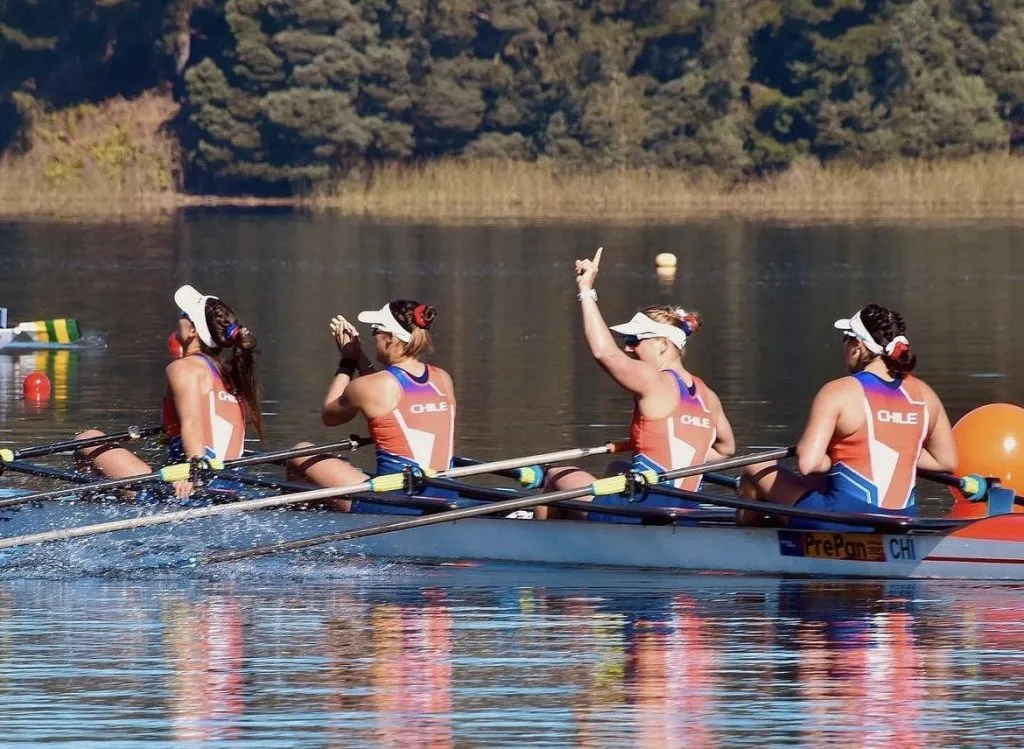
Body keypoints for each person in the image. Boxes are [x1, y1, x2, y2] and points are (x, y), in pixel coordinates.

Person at [535, 247, 735, 521]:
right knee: (618, 466)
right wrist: (676, 444)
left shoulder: (654, 381)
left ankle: (541, 544)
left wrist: (586, 290)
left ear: (663, 345)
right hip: (686, 513)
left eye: (634, 341)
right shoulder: (707, 396)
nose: (628, 349)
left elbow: (604, 353)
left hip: (643, 512)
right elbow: (727, 451)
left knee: (556, 475)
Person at [738, 304, 957, 528]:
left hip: (843, 520)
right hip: (902, 521)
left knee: (755, 469)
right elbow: (946, 461)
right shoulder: (926, 395)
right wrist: (897, 447)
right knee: (818, 480)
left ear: (857, 346)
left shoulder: (838, 392)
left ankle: (747, 545)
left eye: (845, 338)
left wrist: (836, 455)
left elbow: (808, 463)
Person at [77, 284, 261, 499]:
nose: (178, 318)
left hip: (190, 489)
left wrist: (194, 477)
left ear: (193, 330)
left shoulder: (184, 368)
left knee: (88, 439)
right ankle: (111, 497)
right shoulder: (231, 376)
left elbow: (192, 424)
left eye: (183, 314)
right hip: (234, 485)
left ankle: (88, 506)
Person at [288, 299, 456, 512]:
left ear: (390, 337)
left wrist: (348, 361)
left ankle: (300, 521)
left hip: (395, 501)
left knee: (299, 452)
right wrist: (360, 358)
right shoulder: (442, 379)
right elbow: (385, 392)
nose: (373, 336)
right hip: (448, 491)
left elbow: (330, 415)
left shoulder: (373, 386)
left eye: (375, 330)